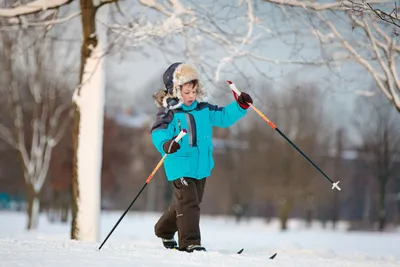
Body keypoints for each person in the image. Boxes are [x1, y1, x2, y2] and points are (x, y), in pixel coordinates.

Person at [150, 62, 253, 253]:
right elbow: (158, 132)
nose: (191, 97)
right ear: (175, 90)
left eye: (194, 91)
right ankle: (190, 243)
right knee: (189, 203)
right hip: (179, 164)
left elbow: (223, 117)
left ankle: (164, 229)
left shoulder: (203, 109)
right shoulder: (169, 112)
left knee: (188, 202)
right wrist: (166, 144)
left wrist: (240, 106)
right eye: (186, 92)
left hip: (201, 167)